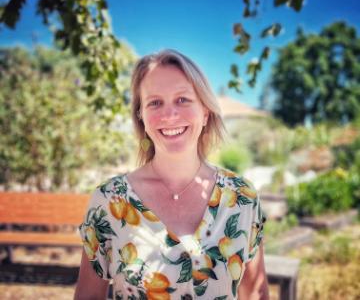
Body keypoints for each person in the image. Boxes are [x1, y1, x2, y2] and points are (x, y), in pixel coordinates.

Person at [74, 49, 269, 299]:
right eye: (155, 103)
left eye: (182, 99)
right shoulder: (109, 201)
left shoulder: (242, 198)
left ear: (205, 111)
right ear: (141, 115)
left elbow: (255, 293)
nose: (169, 115)